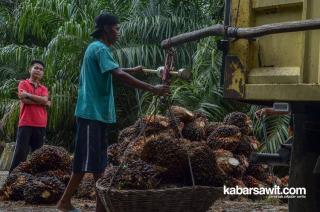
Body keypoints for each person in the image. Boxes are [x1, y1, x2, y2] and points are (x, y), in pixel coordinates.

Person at [57, 13, 170, 212]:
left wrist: (132, 70)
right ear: (107, 28)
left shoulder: (97, 49)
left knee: (98, 161)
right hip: (91, 113)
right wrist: (153, 89)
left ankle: (96, 206)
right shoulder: (99, 48)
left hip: (96, 114)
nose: (118, 33)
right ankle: (69, 203)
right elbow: (117, 74)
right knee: (88, 162)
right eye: (117, 29)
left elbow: (113, 69)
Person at [9, 60, 50, 173]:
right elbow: (24, 100)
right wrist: (42, 102)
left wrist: (28, 94)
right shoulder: (23, 83)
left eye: (41, 69)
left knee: (38, 155)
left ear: (43, 73)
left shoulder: (44, 88)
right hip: (26, 123)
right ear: (30, 69)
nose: (38, 70)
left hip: (41, 124)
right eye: (36, 68)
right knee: (20, 153)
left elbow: (45, 100)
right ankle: (12, 179)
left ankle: (35, 181)